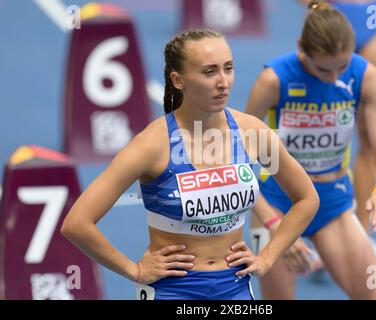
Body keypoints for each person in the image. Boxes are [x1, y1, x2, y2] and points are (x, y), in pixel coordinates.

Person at [61, 28, 319, 300]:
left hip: (235, 287)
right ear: (178, 80)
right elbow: (77, 223)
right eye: (209, 72)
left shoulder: (253, 134)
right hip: (172, 291)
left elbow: (306, 198)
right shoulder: (151, 145)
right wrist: (134, 270)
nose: (224, 82)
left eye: (228, 68)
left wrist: (267, 257)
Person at [247, 2, 376, 299]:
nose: (332, 77)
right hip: (278, 204)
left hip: (333, 204)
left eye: (341, 67)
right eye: (322, 69)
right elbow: (235, 162)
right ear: (301, 48)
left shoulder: (365, 76)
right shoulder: (273, 79)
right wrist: (274, 225)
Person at [300, 0, 376, 270]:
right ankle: (314, 234)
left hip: (373, 17)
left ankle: (363, 237)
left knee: (370, 137)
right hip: (330, 15)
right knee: (315, 131)